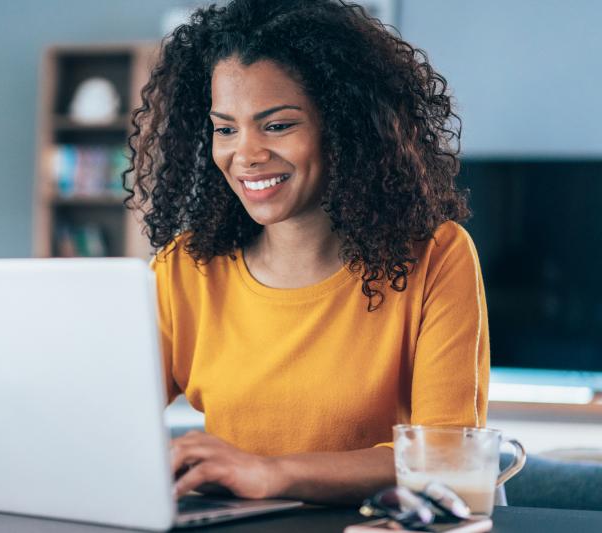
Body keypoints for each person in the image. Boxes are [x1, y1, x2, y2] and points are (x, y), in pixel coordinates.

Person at [124, 0, 490, 505]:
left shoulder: (437, 255)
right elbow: (109, 415)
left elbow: (448, 459)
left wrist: (272, 473)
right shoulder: (186, 267)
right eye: (225, 128)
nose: (246, 155)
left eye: (277, 125)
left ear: (342, 128)